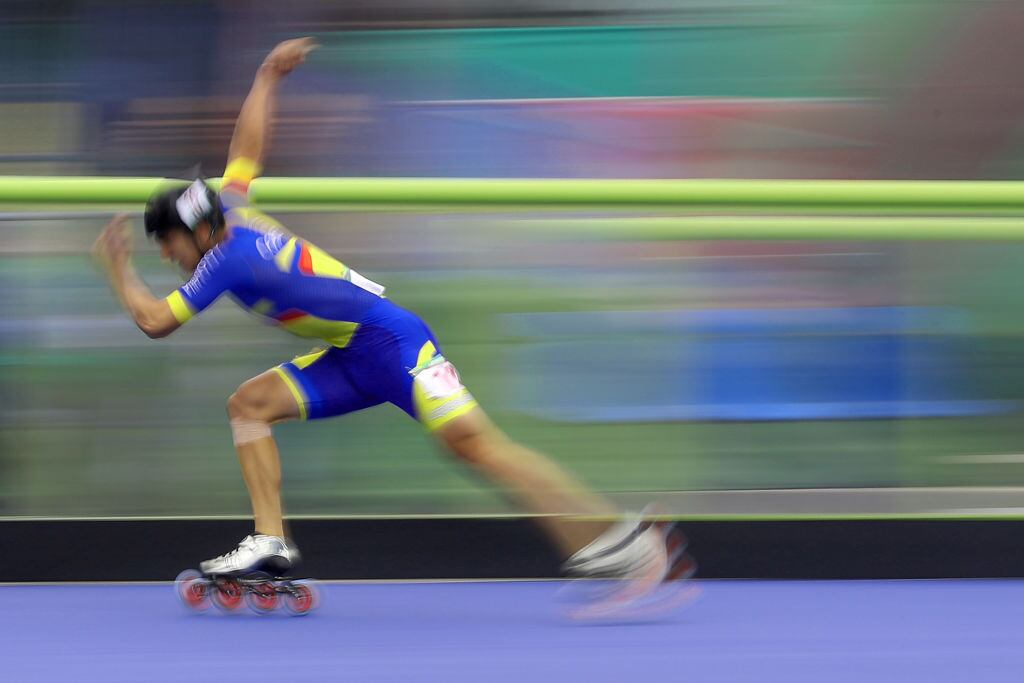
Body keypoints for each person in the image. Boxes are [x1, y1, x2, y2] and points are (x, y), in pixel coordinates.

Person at [92, 37, 690, 609]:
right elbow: (246, 152)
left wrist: (118, 269)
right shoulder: (233, 211)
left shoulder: (226, 259)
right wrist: (267, 76)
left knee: (481, 449)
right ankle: (271, 541)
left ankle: (625, 543)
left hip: (394, 343)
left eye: (166, 243)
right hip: (354, 353)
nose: (166, 256)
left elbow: (153, 321)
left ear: (197, 231)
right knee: (250, 405)